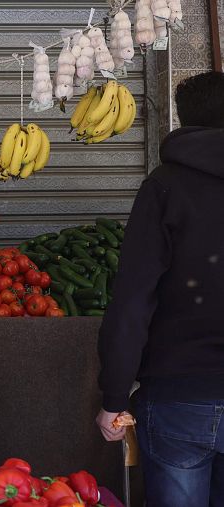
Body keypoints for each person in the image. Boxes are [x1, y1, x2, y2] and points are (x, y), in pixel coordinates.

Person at [96, 70, 224, 506]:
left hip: (178, 398)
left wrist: (114, 395)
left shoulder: (164, 185)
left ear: (182, 119)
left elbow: (133, 299)